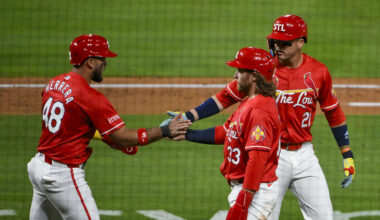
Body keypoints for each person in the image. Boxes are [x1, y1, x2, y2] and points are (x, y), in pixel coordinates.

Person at [163, 15, 355, 220]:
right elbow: (225, 97)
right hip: (272, 155)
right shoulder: (264, 70)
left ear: (300, 42)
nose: (278, 46)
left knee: (325, 217)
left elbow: (333, 112)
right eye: (275, 41)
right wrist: (188, 117)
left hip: (305, 154)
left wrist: (347, 153)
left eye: (285, 42)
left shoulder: (318, 72)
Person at [27, 34, 191, 220]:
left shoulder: (54, 84)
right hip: (62, 176)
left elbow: (71, 124)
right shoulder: (90, 97)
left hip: (38, 167)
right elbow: (122, 136)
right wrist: (165, 131)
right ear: (89, 62)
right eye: (102, 58)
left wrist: (107, 138)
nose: (105, 63)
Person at [176, 47, 280, 220]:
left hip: (255, 193)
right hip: (247, 190)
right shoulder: (249, 103)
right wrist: (186, 134)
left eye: (239, 71)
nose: (234, 76)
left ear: (254, 76)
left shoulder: (260, 111)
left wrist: (243, 203)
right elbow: (226, 132)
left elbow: (257, 159)